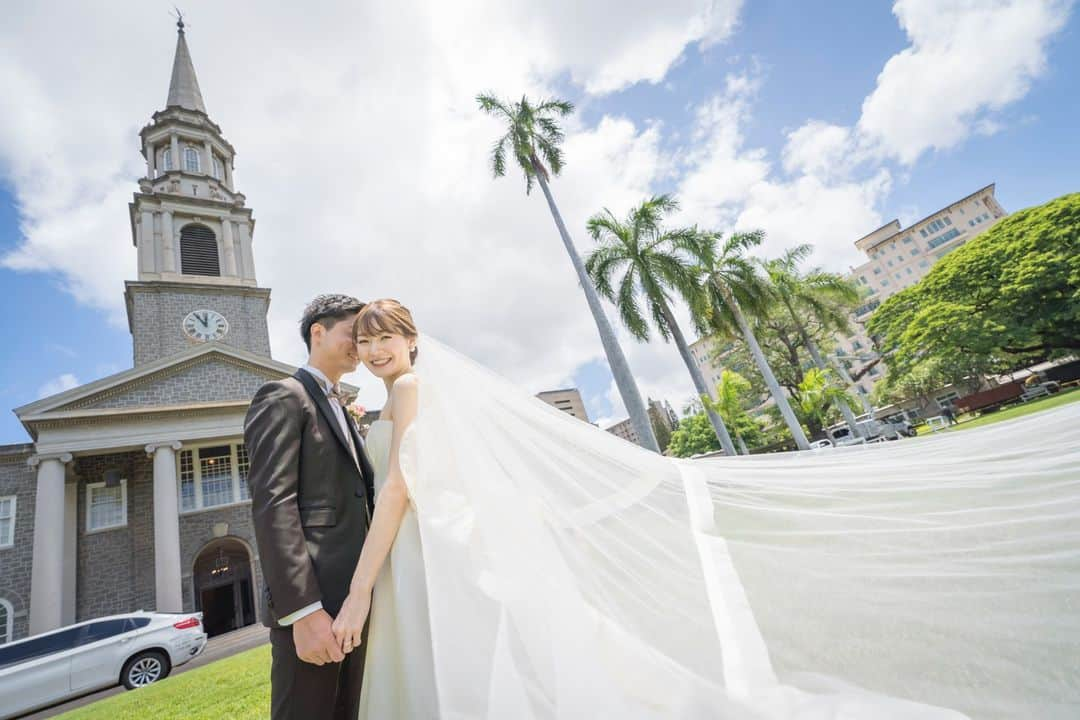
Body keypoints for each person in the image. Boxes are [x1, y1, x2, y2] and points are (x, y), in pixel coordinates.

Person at [332, 299, 1078, 719]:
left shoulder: (409, 391)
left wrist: (361, 589)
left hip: (435, 544)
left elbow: (401, 488)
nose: (373, 350)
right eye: (363, 342)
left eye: (384, 337)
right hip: (444, 542)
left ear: (412, 339)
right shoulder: (404, 396)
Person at [245, 294, 376, 720]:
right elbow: (274, 505)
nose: (362, 343)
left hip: (357, 605)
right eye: (352, 334)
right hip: (315, 606)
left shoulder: (342, 404)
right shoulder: (284, 397)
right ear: (317, 332)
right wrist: (303, 612)